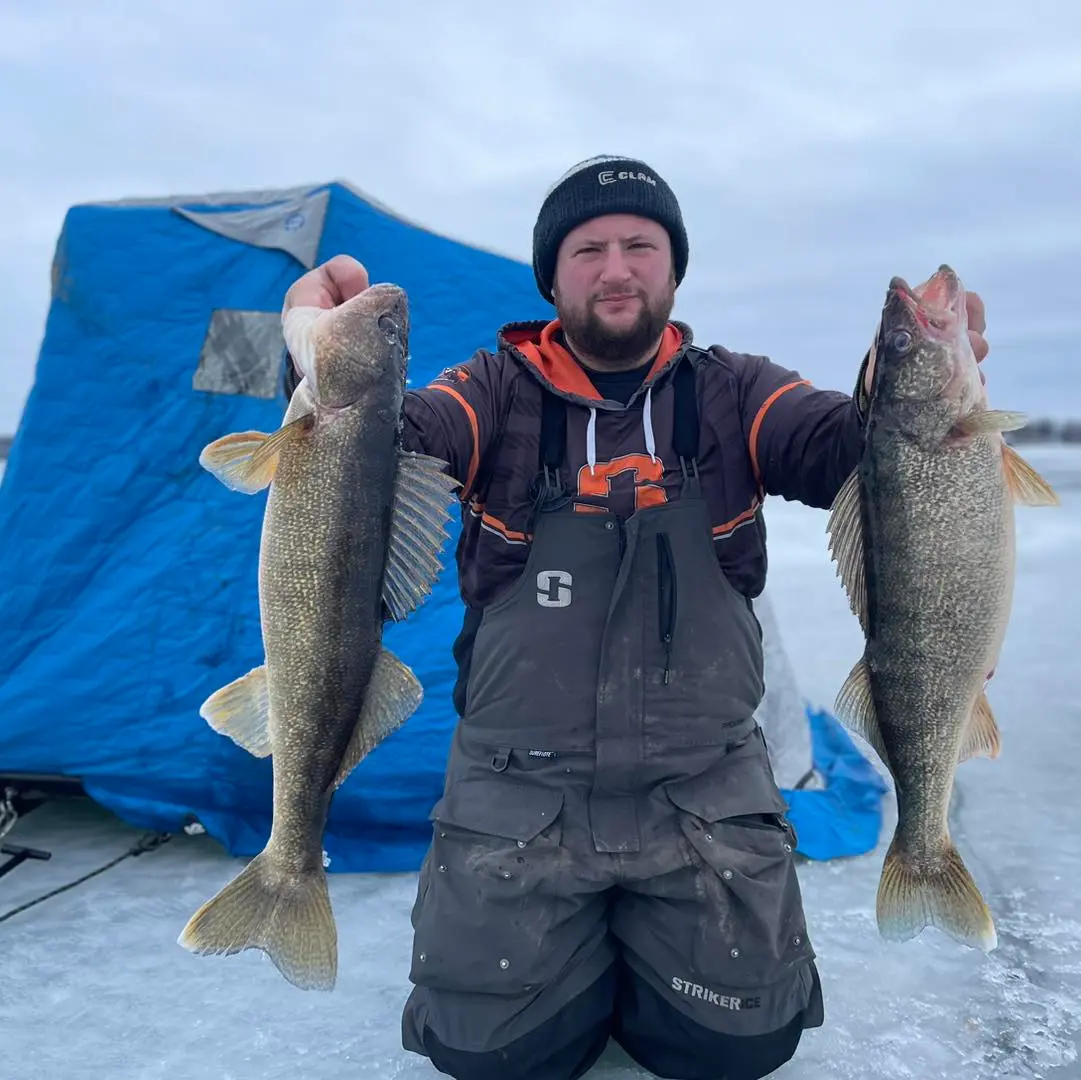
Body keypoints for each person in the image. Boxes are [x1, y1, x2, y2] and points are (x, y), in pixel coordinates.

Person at [281, 156, 990, 1080]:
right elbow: (367, 451)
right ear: (551, 276)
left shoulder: (734, 389)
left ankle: (629, 958)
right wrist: (305, 352)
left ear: (672, 267)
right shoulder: (491, 390)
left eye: (639, 245)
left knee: (738, 1046)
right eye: (587, 250)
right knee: (491, 1056)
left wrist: (899, 381)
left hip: (700, 790)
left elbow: (846, 450)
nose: (615, 268)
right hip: (519, 793)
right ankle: (581, 963)